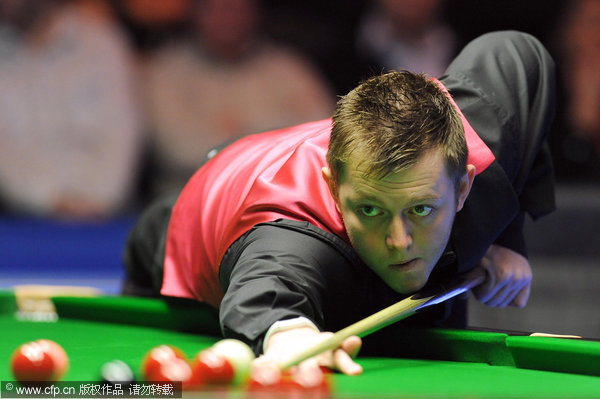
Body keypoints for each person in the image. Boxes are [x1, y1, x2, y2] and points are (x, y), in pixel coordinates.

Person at [123, 31, 556, 376]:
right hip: (203, 203)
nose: (399, 241)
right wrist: (288, 335)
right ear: (334, 189)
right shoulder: (293, 238)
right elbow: (265, 293)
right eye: (370, 210)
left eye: (421, 210)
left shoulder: (487, 131)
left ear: (463, 188)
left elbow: (520, 52)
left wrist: (506, 236)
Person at [139, 0, 335, 197]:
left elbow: (323, 136)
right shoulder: (165, 70)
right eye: (214, 8)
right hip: (191, 202)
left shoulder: (289, 67)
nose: (226, 16)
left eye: (237, 7)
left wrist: (234, 136)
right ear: (194, 12)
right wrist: (275, 136)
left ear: (256, 12)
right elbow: (177, 150)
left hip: (284, 200)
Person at [0, 0, 142, 219]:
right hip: (18, 226)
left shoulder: (102, 42)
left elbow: (121, 138)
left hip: (102, 219)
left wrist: (94, 199)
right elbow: (5, 156)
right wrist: (52, 199)